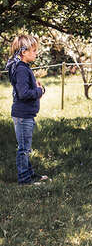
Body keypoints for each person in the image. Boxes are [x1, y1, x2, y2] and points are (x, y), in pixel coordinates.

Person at [5, 35, 49, 185]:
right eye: (34, 50)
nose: (36, 53)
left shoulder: (23, 68)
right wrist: (39, 91)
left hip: (26, 114)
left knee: (26, 147)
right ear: (24, 52)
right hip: (23, 115)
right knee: (24, 149)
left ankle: (29, 174)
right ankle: (24, 180)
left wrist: (39, 89)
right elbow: (23, 94)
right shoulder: (21, 69)